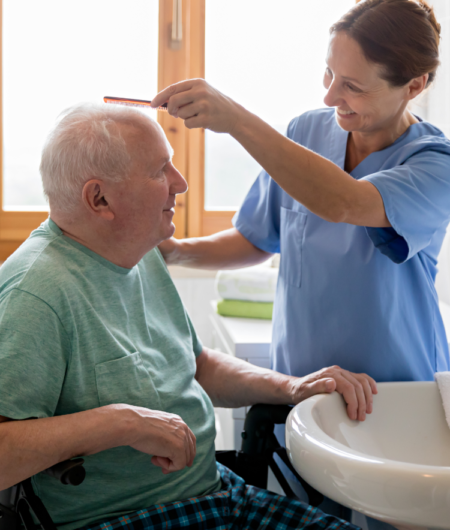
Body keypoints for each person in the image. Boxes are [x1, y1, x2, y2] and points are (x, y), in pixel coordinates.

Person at [0, 104, 375, 530]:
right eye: (161, 171)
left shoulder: (138, 252)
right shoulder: (37, 293)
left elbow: (196, 365)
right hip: (128, 518)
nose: (181, 183)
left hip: (214, 494)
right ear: (99, 198)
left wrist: (291, 387)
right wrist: (120, 423)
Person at [150, 0, 450, 526]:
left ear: (415, 85)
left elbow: (344, 203)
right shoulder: (308, 132)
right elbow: (257, 237)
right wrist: (175, 252)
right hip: (304, 388)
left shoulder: (433, 165)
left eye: (353, 86)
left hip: (393, 400)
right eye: (329, 73)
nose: (331, 95)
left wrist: (235, 120)